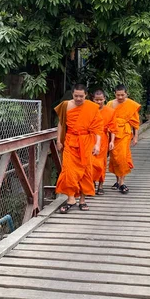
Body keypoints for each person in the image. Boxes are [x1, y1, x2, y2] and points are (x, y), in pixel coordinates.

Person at [54, 84, 103, 213]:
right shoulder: (65, 105)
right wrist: (58, 140)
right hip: (70, 141)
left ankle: (82, 200)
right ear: (72, 94)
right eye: (76, 96)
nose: (78, 99)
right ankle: (71, 199)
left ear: (86, 95)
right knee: (68, 170)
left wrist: (97, 144)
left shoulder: (92, 107)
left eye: (81, 96)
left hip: (86, 141)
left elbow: (98, 128)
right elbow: (61, 123)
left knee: (85, 171)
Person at [107, 84, 141, 194]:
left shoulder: (131, 105)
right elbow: (106, 119)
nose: (120, 97)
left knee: (122, 157)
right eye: (118, 95)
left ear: (126, 93)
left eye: (122, 95)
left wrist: (135, 137)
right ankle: (117, 181)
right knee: (114, 158)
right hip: (112, 134)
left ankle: (122, 182)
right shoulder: (110, 104)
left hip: (125, 134)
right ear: (114, 94)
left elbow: (135, 123)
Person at [91, 89, 117, 195]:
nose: (99, 102)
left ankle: (101, 185)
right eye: (96, 100)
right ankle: (92, 184)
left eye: (101, 100)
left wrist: (112, 141)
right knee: (91, 163)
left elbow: (113, 128)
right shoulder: (89, 110)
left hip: (103, 139)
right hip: (90, 138)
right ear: (93, 99)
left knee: (102, 163)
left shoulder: (110, 112)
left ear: (105, 99)